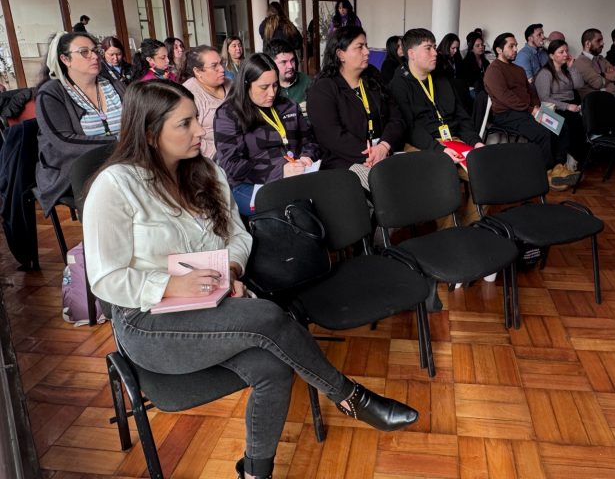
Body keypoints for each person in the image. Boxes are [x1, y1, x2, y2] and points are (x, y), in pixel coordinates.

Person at [83, 80, 418, 479]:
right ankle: (350, 398)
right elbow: (105, 278)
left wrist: (231, 271)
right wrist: (170, 285)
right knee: (269, 316)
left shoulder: (206, 172)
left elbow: (238, 236)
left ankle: (255, 472)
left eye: (196, 119)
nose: (201, 131)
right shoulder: (116, 185)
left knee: (272, 367)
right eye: (185, 124)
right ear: (151, 134)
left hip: (213, 304)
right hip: (148, 321)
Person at [214, 54, 319, 216]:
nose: (272, 93)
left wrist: (307, 156)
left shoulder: (288, 106)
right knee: (291, 210)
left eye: (275, 85)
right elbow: (232, 165)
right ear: (246, 85)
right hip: (249, 184)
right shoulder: (229, 114)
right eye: (264, 87)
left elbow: (310, 142)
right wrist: (280, 171)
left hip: (296, 175)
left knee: (328, 197)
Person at [35, 32, 124, 216]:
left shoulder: (114, 85)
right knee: (121, 192)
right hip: (78, 167)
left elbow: (139, 118)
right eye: (84, 52)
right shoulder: (51, 93)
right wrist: (121, 143)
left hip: (123, 158)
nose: (94, 56)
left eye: (95, 50)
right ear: (65, 59)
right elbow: (64, 142)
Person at [306, 25, 404, 189]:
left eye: (366, 45)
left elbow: (396, 118)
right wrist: (372, 154)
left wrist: (384, 146)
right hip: (345, 159)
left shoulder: (372, 75)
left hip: (383, 151)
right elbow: (332, 136)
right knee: (387, 186)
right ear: (340, 54)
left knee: (415, 177)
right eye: (360, 47)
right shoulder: (324, 88)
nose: (367, 52)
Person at [483, 33, 577, 190]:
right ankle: (545, 174)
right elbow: (506, 98)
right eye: (511, 46)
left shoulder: (519, 70)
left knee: (561, 126)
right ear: (499, 50)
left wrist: (537, 107)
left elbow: (531, 93)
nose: (515, 49)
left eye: (516, 45)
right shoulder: (493, 70)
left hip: (527, 111)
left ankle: (558, 168)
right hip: (507, 114)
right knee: (542, 132)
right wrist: (530, 110)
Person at [390, 28, 482, 160]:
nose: (435, 53)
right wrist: (440, 149)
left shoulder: (442, 79)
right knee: (448, 168)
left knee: (482, 165)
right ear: (411, 54)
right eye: (428, 48)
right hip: (422, 146)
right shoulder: (399, 85)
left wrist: (475, 142)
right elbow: (411, 128)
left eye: (434, 47)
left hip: (453, 141)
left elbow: (462, 117)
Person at [534, 39, 587, 168]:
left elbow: (579, 85)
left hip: (571, 105)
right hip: (552, 108)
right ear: (552, 56)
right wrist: (567, 106)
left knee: (583, 121)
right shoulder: (545, 73)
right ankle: (565, 161)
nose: (565, 54)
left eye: (566, 51)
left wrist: (572, 67)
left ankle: (577, 158)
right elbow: (544, 99)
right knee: (571, 123)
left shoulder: (566, 71)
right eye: (561, 52)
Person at [180, 45, 233, 159]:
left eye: (221, 63)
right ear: (197, 71)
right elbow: (188, 135)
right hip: (214, 156)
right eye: (214, 66)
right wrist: (221, 154)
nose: (222, 69)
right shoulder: (188, 95)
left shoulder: (231, 85)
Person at [573, 28, 615, 98]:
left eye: (602, 40)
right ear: (588, 44)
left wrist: (605, 76)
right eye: (598, 40)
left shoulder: (601, 59)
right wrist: (611, 76)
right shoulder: (580, 62)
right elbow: (598, 83)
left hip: (612, 98)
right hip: (596, 102)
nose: (602, 43)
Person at [264, 39, 312, 108]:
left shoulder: (307, 81)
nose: (290, 66)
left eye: (292, 60)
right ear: (271, 64)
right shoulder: (265, 87)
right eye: (284, 62)